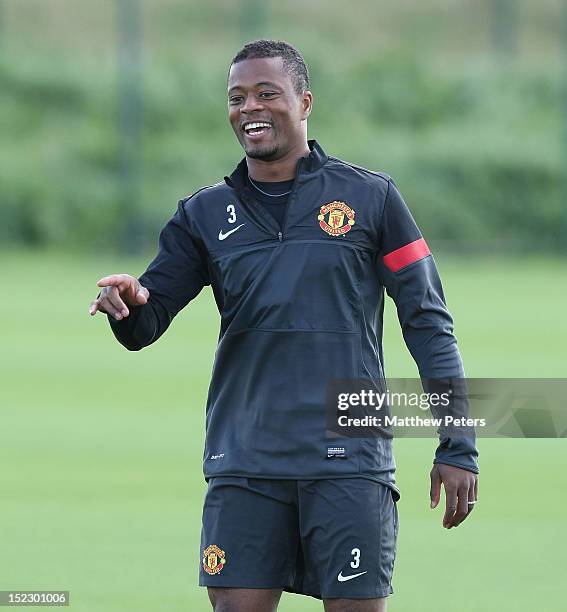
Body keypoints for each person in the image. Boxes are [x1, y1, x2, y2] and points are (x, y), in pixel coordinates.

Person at [89, 40, 479, 612]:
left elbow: (428, 324)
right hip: (246, 463)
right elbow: (148, 320)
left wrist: (458, 445)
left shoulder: (371, 198)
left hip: (349, 460)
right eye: (237, 97)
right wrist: (127, 305)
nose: (250, 108)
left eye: (266, 93)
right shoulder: (200, 214)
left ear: (304, 102)